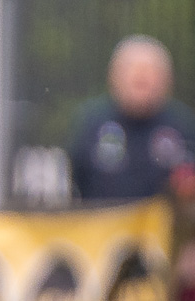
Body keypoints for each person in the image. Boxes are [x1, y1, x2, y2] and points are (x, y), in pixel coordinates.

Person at [67, 36, 195, 203]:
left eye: (151, 70)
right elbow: (74, 182)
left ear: (167, 79)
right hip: (104, 226)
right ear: (113, 76)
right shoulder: (91, 123)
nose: (140, 75)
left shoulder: (183, 126)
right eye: (131, 68)